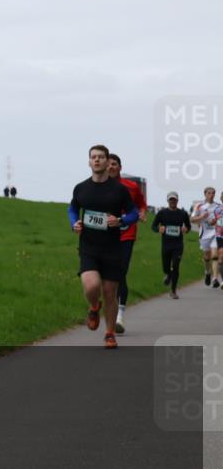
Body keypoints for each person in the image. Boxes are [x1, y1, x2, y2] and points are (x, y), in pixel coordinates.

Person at [68, 145, 139, 349]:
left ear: (108, 162)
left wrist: (121, 220)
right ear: (89, 162)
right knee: (91, 286)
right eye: (93, 157)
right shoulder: (81, 188)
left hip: (112, 248)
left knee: (110, 292)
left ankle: (109, 333)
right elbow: (73, 208)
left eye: (101, 157)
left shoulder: (119, 190)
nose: (97, 160)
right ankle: (93, 306)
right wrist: (74, 223)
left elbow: (133, 213)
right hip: (89, 246)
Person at [107, 154, 147, 333]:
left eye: (114, 164)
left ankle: (120, 316)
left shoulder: (131, 186)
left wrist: (143, 212)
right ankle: (108, 308)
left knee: (121, 272)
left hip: (126, 234)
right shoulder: (99, 186)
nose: (110, 167)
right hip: (105, 236)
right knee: (106, 276)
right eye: (108, 164)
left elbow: (141, 204)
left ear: (120, 167)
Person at [151, 192, 191, 298]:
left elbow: (188, 226)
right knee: (166, 266)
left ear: (177, 201)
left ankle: (173, 290)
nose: (173, 201)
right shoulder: (162, 213)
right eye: (171, 200)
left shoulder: (183, 213)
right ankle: (168, 274)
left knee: (176, 266)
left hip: (178, 245)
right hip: (166, 244)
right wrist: (159, 229)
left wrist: (185, 229)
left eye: (174, 200)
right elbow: (153, 226)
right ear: (168, 201)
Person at [191, 187, 220, 287]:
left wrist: (216, 221)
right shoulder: (199, 206)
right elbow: (192, 219)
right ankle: (207, 272)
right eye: (209, 193)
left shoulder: (218, 206)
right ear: (205, 194)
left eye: (213, 193)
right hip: (204, 235)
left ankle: (215, 279)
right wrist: (201, 217)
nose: (211, 195)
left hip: (215, 234)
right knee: (207, 257)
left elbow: (221, 220)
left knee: (215, 256)